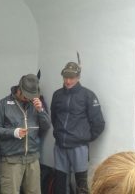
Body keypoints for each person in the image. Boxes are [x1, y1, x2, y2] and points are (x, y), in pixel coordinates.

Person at [0, 74, 51, 194]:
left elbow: (46, 126)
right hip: (12, 160)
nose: (30, 98)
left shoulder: (35, 104)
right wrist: (13, 133)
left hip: (33, 159)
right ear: (19, 90)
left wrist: (41, 111)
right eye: (27, 95)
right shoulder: (3, 104)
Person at [50, 62, 105, 194]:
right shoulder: (57, 95)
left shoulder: (88, 95)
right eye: (65, 77)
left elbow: (98, 123)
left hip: (79, 147)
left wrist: (84, 137)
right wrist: (59, 133)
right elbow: (54, 118)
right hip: (60, 146)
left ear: (78, 77)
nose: (68, 81)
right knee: (60, 183)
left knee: (81, 183)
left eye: (72, 78)